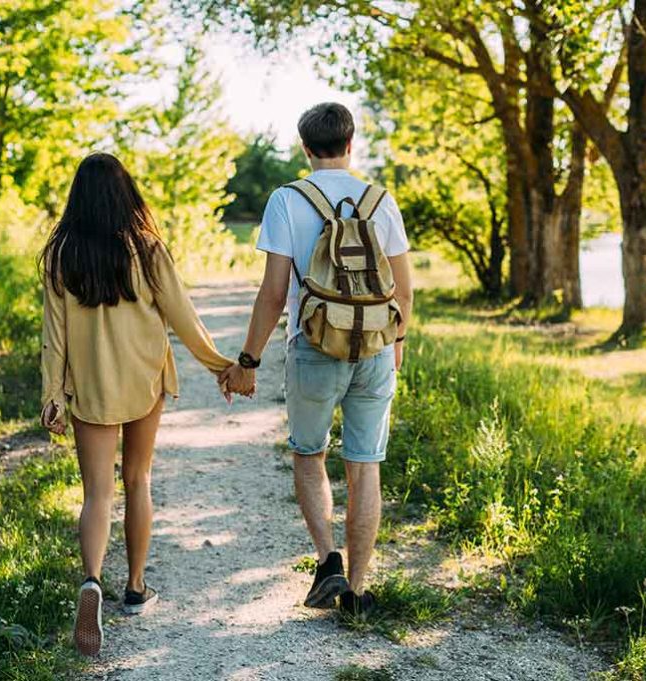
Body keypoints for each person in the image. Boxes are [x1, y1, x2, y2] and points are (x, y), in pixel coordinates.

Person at [220, 103, 413, 617]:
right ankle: (358, 587)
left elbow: (272, 293)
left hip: (313, 345)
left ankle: (327, 561)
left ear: (305, 148)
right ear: (352, 144)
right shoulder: (380, 201)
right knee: (364, 465)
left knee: (310, 454)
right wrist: (394, 349)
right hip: (374, 347)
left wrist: (248, 361)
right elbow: (405, 293)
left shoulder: (288, 200)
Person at [38, 152, 235, 656]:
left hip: (90, 385)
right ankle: (136, 586)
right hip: (144, 378)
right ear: (126, 194)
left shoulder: (62, 255)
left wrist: (53, 395)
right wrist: (223, 367)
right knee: (138, 479)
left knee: (97, 493)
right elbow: (184, 318)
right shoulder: (148, 250)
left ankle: (91, 581)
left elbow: (54, 335)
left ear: (78, 198)